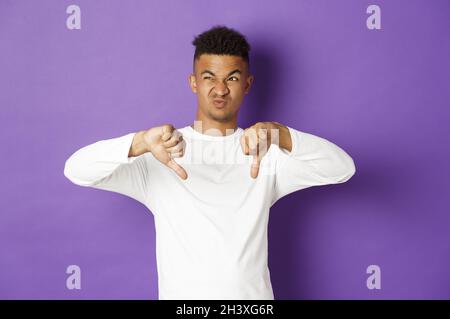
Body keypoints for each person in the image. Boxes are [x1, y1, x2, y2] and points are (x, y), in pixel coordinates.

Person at [64, 25, 356, 300]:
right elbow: (76, 170)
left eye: (231, 78)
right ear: (193, 82)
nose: (220, 89)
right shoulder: (160, 154)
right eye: (208, 77)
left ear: (247, 84)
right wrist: (139, 143)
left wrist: (281, 134)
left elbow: (342, 168)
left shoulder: (267, 153)